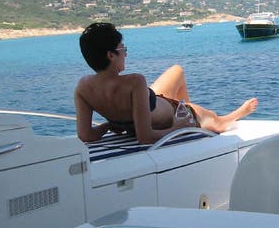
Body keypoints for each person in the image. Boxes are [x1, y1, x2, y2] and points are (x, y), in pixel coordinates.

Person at [75, 22, 258, 144]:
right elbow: (145, 137)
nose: (126, 53)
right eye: (123, 49)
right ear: (111, 55)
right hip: (166, 115)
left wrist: (108, 125)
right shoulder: (134, 82)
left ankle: (184, 106)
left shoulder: (83, 87)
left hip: (154, 104)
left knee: (177, 71)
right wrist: (177, 127)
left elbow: (85, 135)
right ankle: (221, 115)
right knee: (216, 121)